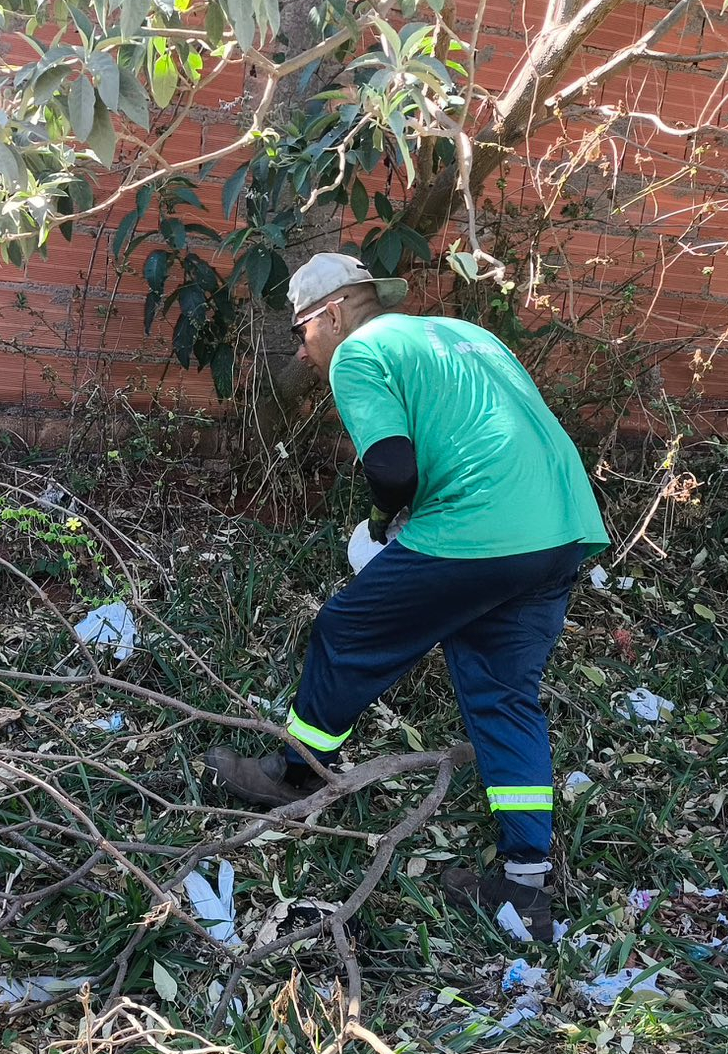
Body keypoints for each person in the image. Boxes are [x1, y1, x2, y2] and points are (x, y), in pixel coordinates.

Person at [202, 252, 609, 938]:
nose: (306, 350)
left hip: (483, 526)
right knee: (504, 692)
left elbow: (392, 467)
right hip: (563, 527)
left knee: (346, 630)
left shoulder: (359, 352)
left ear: (332, 314)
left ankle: (298, 772)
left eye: (303, 332)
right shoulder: (469, 336)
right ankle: (524, 888)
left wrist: (384, 526)